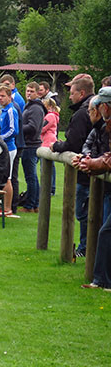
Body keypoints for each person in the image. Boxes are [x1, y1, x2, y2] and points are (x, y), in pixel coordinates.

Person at [51, 75, 94, 257]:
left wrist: (56, 146)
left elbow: (74, 143)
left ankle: (86, 248)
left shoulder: (82, 113)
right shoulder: (89, 109)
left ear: (81, 93)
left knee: (84, 212)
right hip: (90, 168)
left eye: (71, 92)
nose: (69, 96)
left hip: (86, 173)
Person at [78, 87, 111, 290]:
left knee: (106, 231)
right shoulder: (104, 126)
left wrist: (92, 163)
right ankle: (101, 280)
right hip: (106, 185)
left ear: (105, 106)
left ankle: (102, 280)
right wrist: (87, 159)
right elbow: (91, 146)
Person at [20, 82, 46, 213]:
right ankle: (34, 204)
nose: (29, 93)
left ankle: (30, 205)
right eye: (27, 91)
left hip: (30, 145)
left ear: (37, 93)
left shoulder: (35, 108)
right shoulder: (30, 106)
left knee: (31, 177)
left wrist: (19, 128)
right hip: (29, 144)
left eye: (31, 91)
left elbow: (33, 127)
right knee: (31, 176)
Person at [0, 84, 19, 217]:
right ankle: (3, 206)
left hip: (9, 148)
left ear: (9, 97)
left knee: (8, 178)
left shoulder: (11, 110)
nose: (0, 98)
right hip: (3, 148)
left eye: (3, 96)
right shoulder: (3, 110)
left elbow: (13, 130)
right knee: (4, 177)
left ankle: (7, 208)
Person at [41, 98, 60, 195]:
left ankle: (49, 188)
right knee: (50, 166)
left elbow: (43, 128)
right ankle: (51, 188)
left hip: (47, 141)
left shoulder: (50, 116)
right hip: (50, 139)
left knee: (46, 166)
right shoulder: (52, 116)